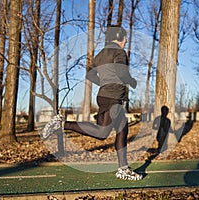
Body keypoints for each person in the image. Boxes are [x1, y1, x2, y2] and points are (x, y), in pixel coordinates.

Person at [42, 25, 143, 181]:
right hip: (113, 96)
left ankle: (123, 168)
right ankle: (62, 124)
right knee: (108, 131)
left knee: (114, 130)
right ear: (120, 38)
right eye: (125, 38)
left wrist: (104, 82)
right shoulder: (119, 52)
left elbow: (90, 74)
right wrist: (132, 81)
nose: (126, 41)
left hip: (104, 95)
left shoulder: (101, 54)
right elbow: (122, 72)